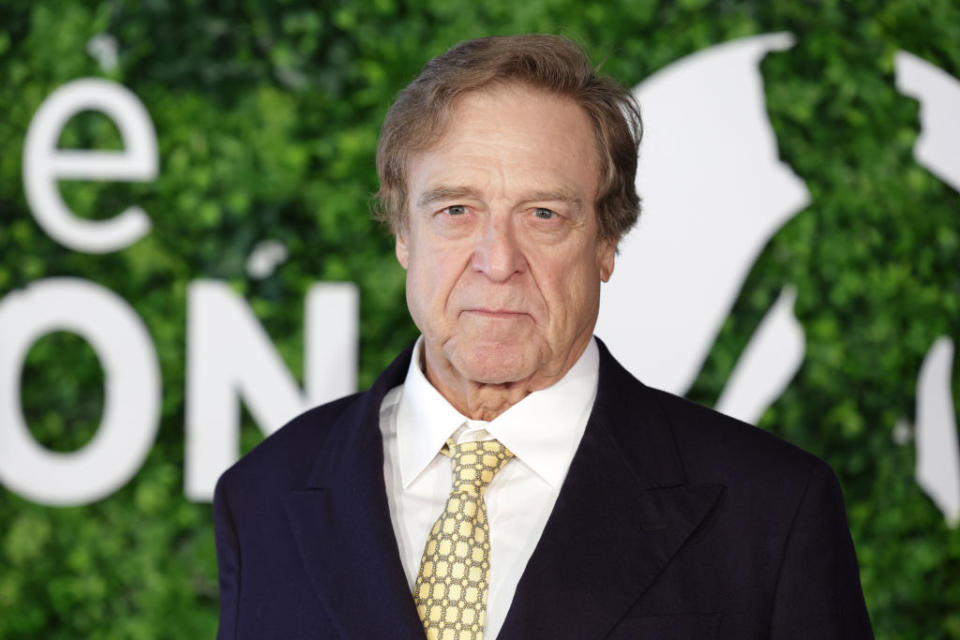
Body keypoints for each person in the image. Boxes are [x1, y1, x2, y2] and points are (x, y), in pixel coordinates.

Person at [213, 34, 873, 639]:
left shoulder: (771, 509)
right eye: (456, 211)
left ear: (607, 243)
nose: (498, 260)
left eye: (544, 214)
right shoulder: (264, 495)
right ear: (402, 234)